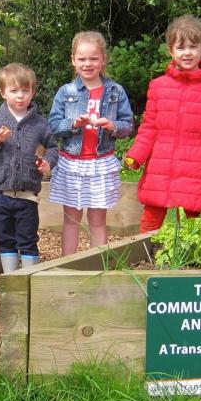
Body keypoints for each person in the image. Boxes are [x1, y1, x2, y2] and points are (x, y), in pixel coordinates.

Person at [125, 15, 201, 232]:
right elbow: (149, 127)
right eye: (181, 47)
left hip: (198, 168)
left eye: (193, 47)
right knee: (151, 217)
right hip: (161, 165)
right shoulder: (158, 86)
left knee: (194, 220)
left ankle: (191, 262)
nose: (187, 53)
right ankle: (145, 259)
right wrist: (136, 155)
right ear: (171, 51)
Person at [48, 31, 133, 255]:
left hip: (101, 163)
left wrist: (112, 126)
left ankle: (98, 267)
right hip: (72, 163)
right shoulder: (65, 92)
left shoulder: (115, 91)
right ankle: (67, 265)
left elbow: (128, 125)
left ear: (103, 59)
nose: (88, 64)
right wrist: (73, 123)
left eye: (93, 58)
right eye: (82, 58)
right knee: (71, 220)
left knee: (97, 220)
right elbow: (54, 125)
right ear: (73, 60)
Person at [0, 63, 58, 272]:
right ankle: (11, 280)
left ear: (32, 92)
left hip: (27, 194)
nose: (20, 96)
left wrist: (48, 161)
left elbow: (53, 148)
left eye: (25, 90)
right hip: (0, 193)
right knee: (5, 239)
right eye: (14, 91)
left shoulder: (40, 123)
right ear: (2, 93)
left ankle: (29, 277)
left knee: (28, 239)